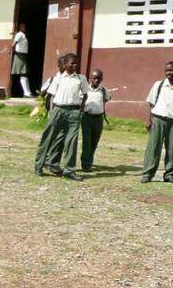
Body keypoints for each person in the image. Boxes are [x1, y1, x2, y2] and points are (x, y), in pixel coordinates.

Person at [35, 53, 89, 181]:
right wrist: (51, 112)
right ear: (65, 65)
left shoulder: (81, 78)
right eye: (72, 63)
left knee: (71, 141)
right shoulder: (58, 78)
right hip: (58, 110)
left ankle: (69, 170)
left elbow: (85, 95)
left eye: (76, 63)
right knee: (48, 138)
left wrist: (80, 110)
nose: (75, 65)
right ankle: (39, 165)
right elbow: (50, 95)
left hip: (74, 112)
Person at [140, 60, 173, 184]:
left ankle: (169, 174)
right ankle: (147, 174)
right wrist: (148, 120)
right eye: (167, 70)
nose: (169, 73)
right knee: (153, 148)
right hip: (158, 119)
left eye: (171, 70)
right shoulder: (159, 85)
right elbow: (151, 103)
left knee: (172, 149)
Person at [80, 69, 111, 172]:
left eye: (99, 78)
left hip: (98, 119)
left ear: (101, 79)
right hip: (87, 118)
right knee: (86, 141)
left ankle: (89, 160)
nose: (97, 80)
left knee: (94, 141)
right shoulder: (85, 90)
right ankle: (85, 164)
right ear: (90, 79)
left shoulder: (104, 91)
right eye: (94, 78)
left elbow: (107, 99)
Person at [12, 22, 33, 98]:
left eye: (25, 26)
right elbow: (13, 44)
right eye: (23, 26)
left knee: (24, 74)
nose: (24, 27)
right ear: (20, 27)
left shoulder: (23, 35)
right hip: (20, 55)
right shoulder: (19, 34)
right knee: (23, 73)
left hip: (23, 55)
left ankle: (27, 93)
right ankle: (26, 93)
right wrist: (15, 52)